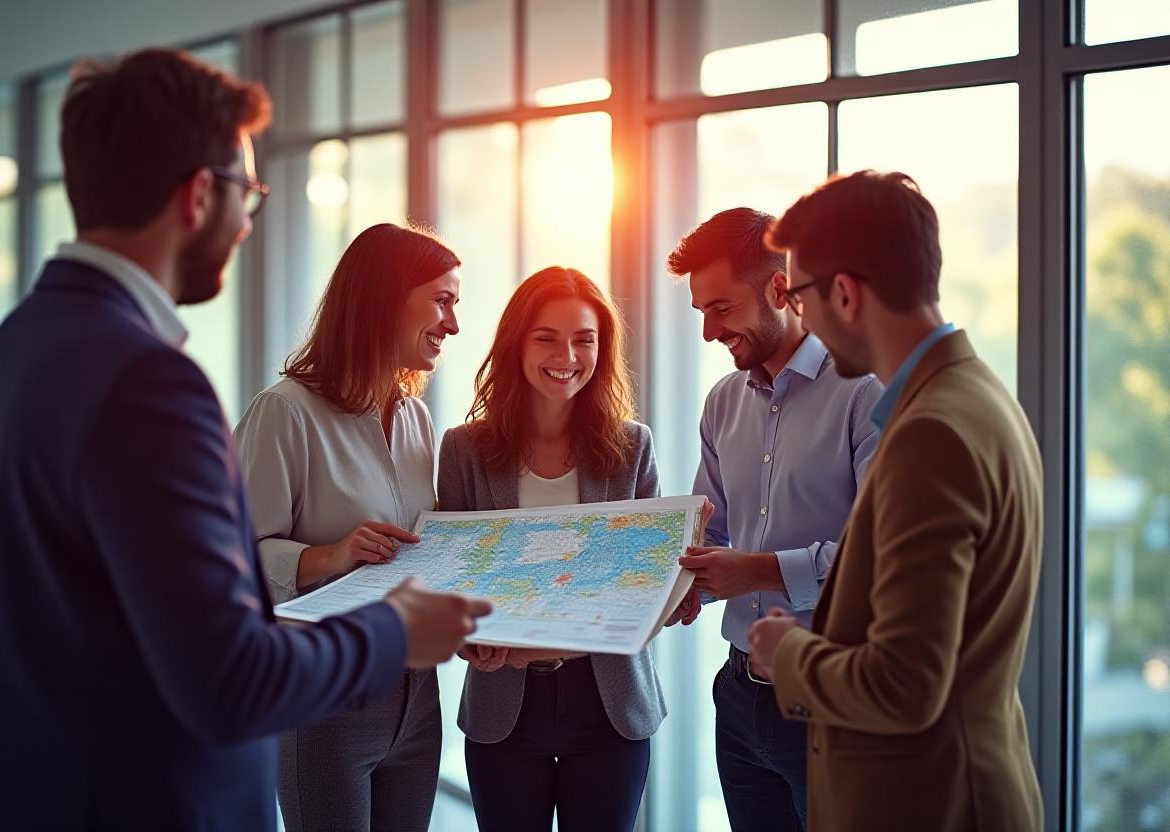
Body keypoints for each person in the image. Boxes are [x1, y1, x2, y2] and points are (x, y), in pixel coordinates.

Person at [0, 48, 489, 832]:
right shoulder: (151, 383)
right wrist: (395, 629)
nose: (251, 220)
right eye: (249, 191)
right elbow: (233, 680)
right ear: (199, 195)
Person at [748, 170, 1044, 831]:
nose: (800, 315)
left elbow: (905, 685)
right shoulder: (978, 394)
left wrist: (787, 652)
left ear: (845, 294)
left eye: (798, 296)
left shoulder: (930, 432)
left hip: (931, 805)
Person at [437, 267, 694, 832]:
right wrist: (469, 643)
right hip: (504, 706)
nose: (568, 355)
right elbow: (449, 577)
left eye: (584, 339)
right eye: (546, 337)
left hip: (610, 706)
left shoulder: (632, 446)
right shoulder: (464, 449)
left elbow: (648, 587)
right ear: (516, 344)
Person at [233, 222, 462, 832]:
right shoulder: (285, 411)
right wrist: (326, 556)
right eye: (441, 300)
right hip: (323, 692)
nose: (452, 324)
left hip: (417, 695)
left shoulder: (416, 420)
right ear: (385, 298)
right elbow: (229, 557)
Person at [665, 207, 882, 831]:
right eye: (701, 312)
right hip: (738, 698)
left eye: (721, 309)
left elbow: (879, 559)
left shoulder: (863, 391)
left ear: (779, 288)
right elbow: (710, 536)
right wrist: (684, 587)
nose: (709, 332)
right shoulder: (722, 402)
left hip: (831, 700)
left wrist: (755, 572)